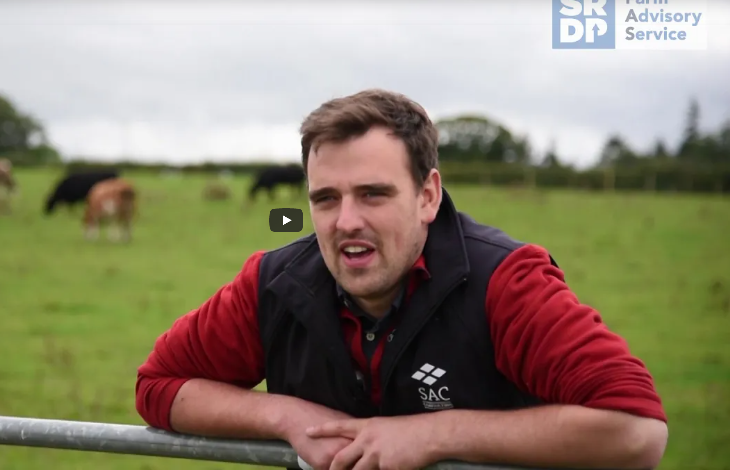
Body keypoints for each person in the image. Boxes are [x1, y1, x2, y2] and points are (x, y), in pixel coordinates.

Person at [135, 89, 668, 470]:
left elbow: (636, 432)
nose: (346, 222)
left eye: (373, 194)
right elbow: (159, 386)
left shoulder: (505, 282)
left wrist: (437, 434)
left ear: (428, 195)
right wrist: (284, 415)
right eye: (325, 199)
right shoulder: (274, 284)